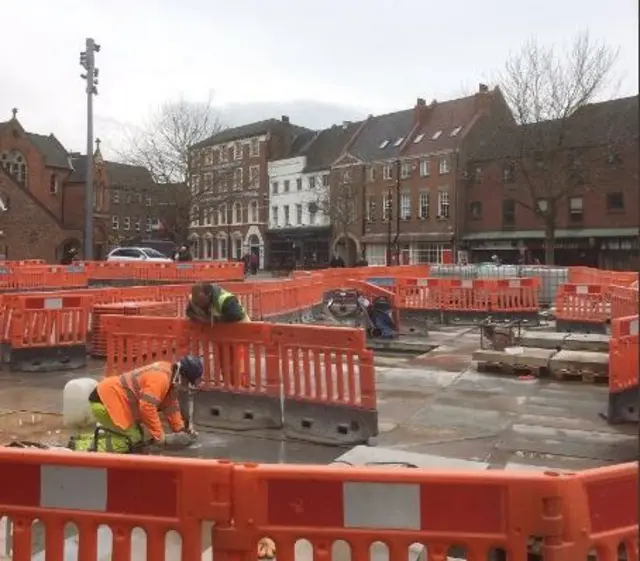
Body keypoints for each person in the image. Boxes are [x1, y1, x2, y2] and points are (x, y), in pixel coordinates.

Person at [86, 355, 204, 451]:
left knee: (138, 436)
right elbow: (147, 406)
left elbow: (170, 406)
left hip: (111, 399)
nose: (186, 386)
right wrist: (160, 437)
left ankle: (92, 441)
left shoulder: (169, 377)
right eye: (187, 382)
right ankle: (87, 449)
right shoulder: (161, 378)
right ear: (182, 375)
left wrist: (180, 429)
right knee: (132, 440)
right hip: (105, 401)